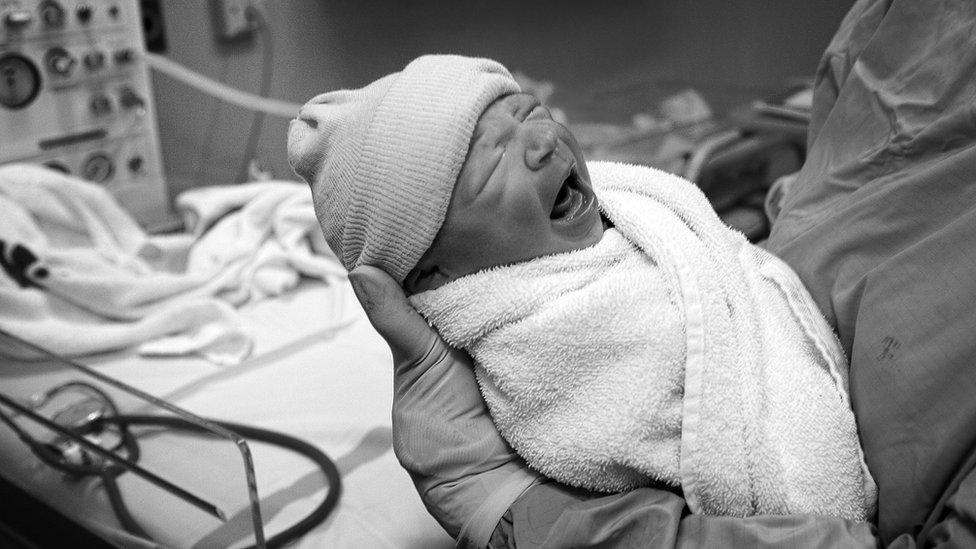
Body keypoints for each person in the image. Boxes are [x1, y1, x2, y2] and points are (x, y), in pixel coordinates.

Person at [313, 0, 976, 546]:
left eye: (532, 113)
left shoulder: (631, 214)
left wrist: (513, 513)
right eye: (491, 164)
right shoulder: (539, 334)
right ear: (433, 273)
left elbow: (720, 273)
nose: (544, 141)